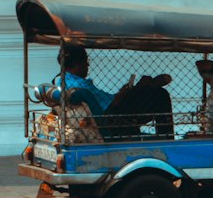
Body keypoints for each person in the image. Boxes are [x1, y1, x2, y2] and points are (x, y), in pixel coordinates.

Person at [31, 46, 173, 140]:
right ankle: (167, 137)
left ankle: (148, 87)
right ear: (76, 64)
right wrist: (134, 90)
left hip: (101, 117)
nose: (88, 65)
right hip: (111, 123)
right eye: (86, 62)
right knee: (160, 94)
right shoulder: (82, 87)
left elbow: (107, 101)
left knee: (146, 89)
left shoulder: (60, 82)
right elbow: (114, 103)